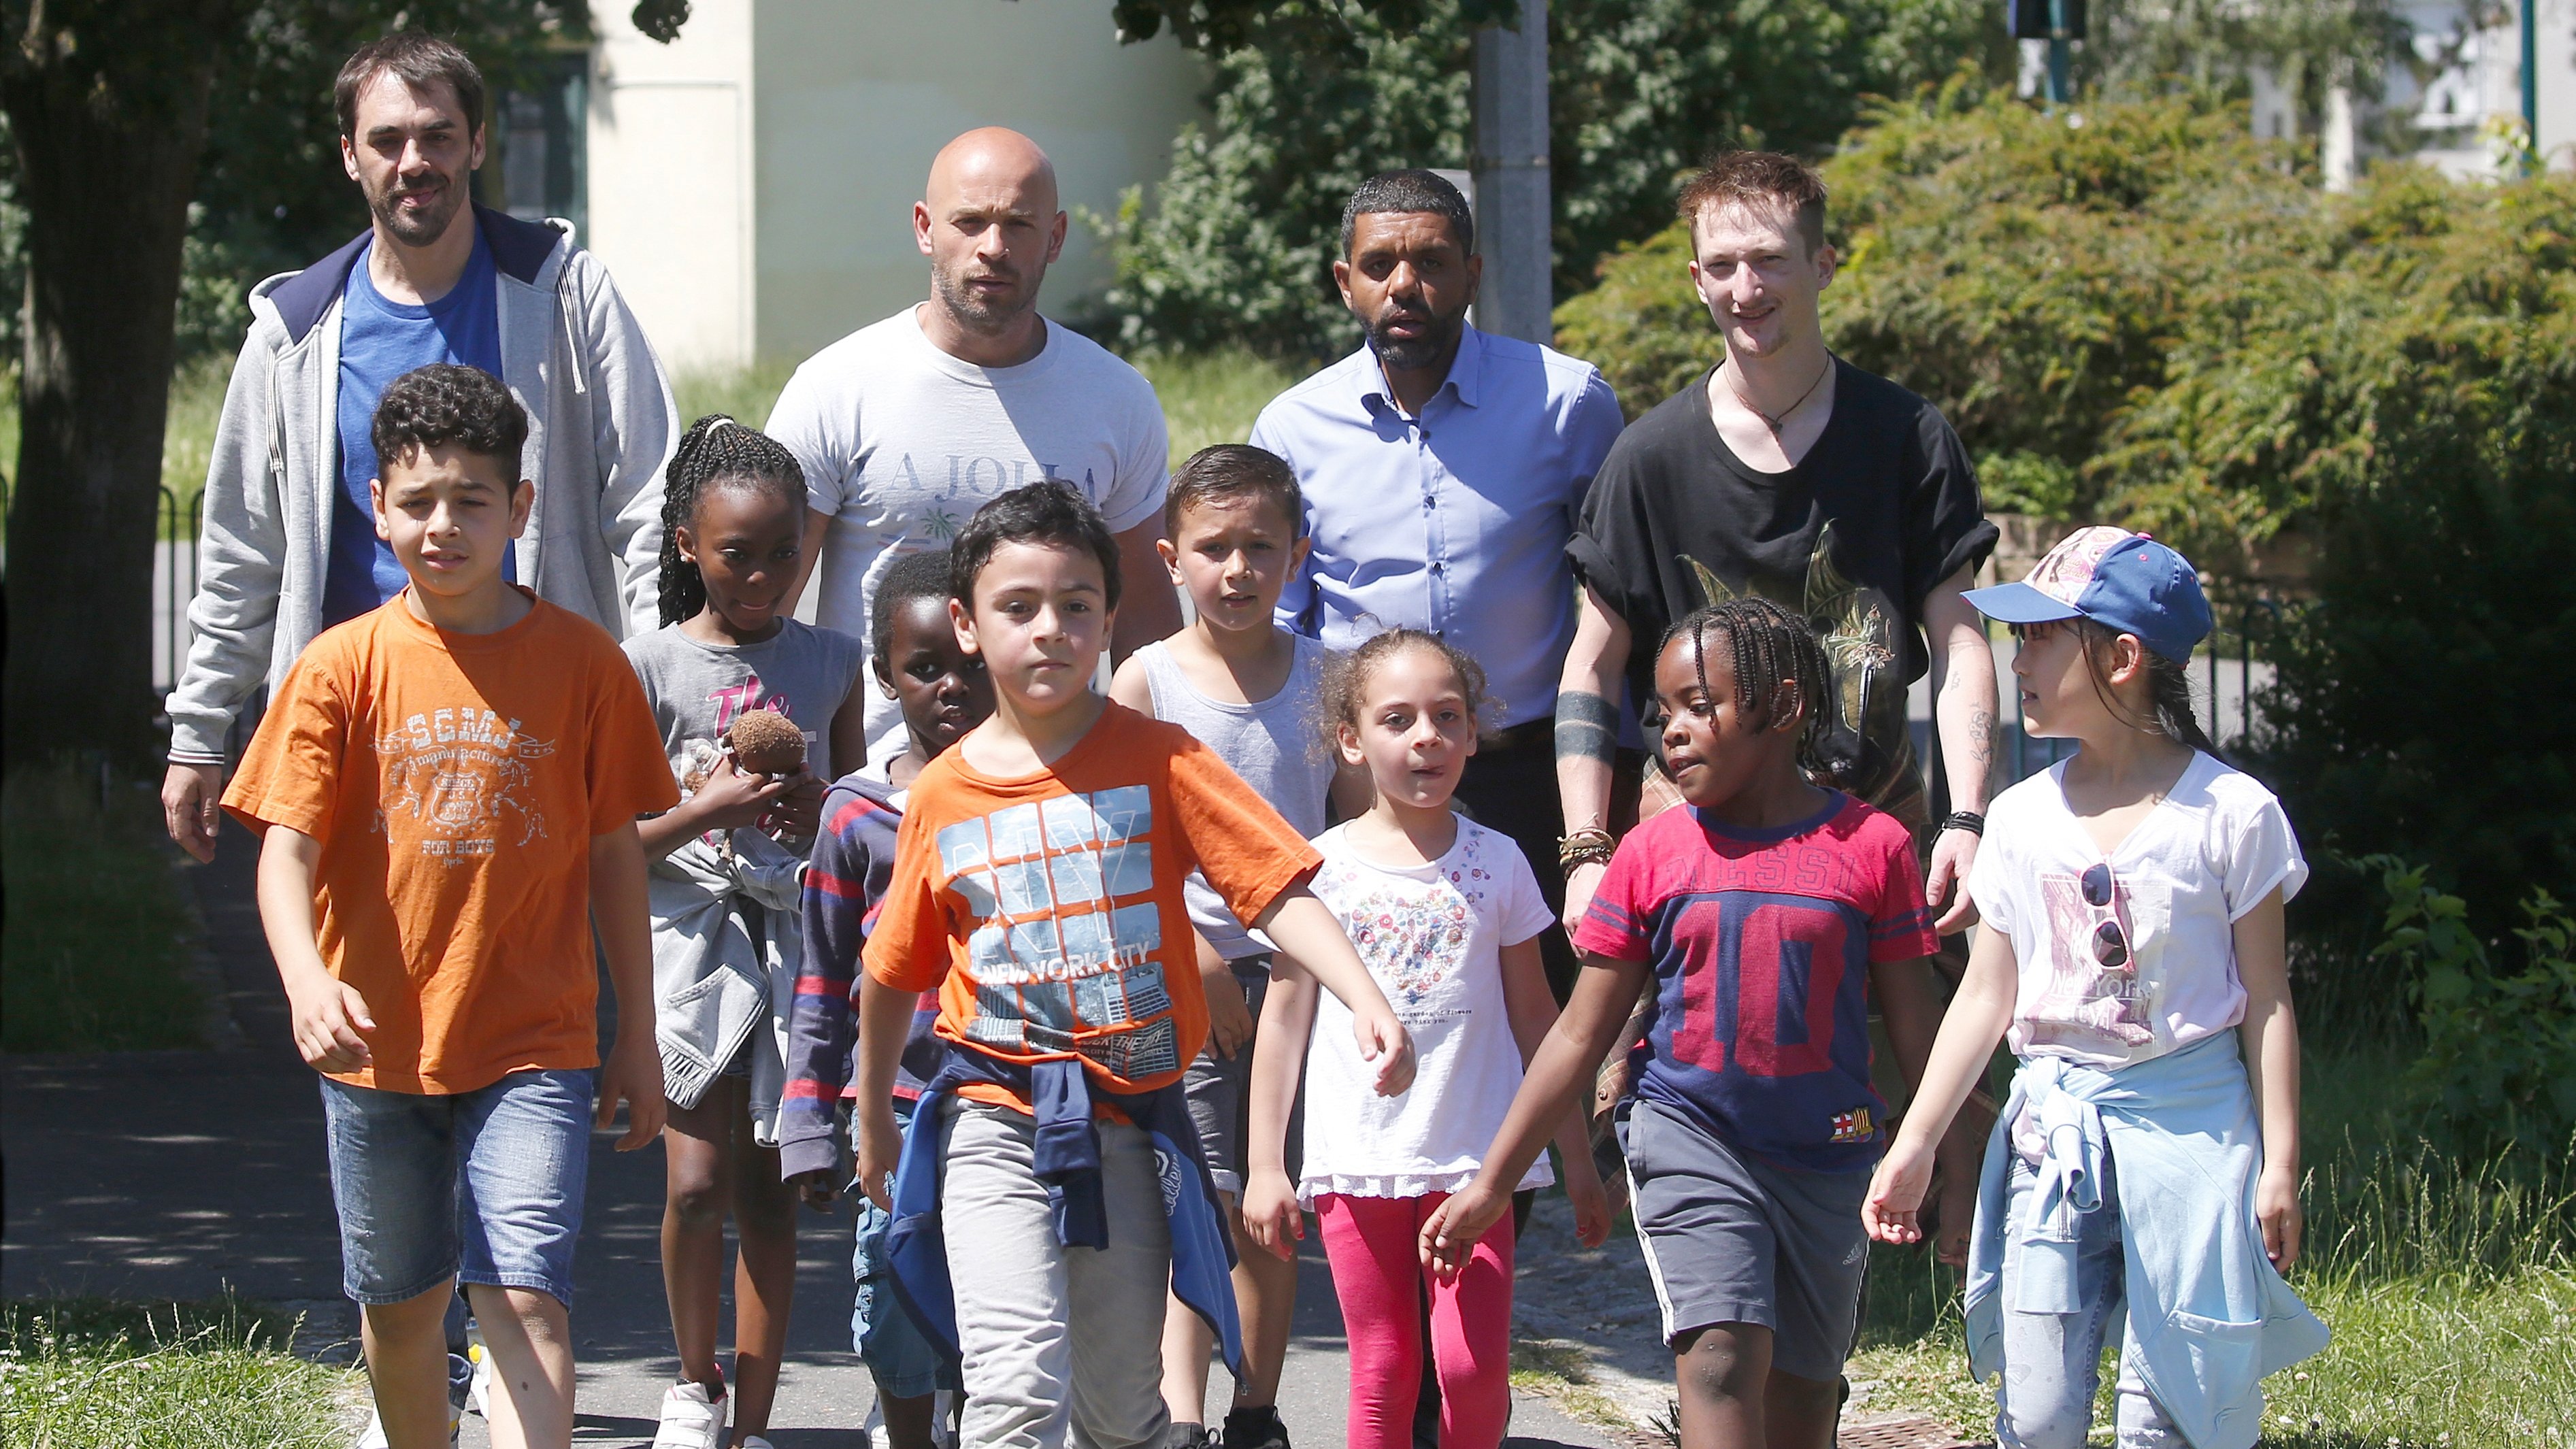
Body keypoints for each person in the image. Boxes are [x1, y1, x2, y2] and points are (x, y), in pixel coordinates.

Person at [848, 480, 1417, 1449]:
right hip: (992, 1118)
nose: (1050, 629)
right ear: (968, 624)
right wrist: (871, 1120)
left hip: (1126, 1125)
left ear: (1110, 619)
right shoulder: (941, 794)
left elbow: (1273, 887)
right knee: (1015, 1391)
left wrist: (1364, 994)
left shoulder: (1161, 757)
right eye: (1018, 607)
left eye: (1076, 605)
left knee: (1119, 1412)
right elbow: (894, 971)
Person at [220, 365, 674, 1449]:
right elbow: (284, 853)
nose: (443, 525)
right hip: (375, 1044)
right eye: (418, 500)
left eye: (472, 499)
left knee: (525, 1296)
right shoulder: (339, 668)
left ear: (519, 508)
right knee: (402, 1307)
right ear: (376, 505)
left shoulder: (585, 666)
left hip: (537, 1039)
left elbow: (615, 854)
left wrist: (638, 1033)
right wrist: (306, 981)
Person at [1421, 597, 1978, 1449]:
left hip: (1829, 1151)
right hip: (1688, 1133)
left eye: (1698, 706)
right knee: (1718, 1354)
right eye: (1662, 712)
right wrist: (1494, 1181)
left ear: (1784, 706)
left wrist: (1954, 1163)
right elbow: (1578, 1032)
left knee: (1805, 1393)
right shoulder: (1653, 851)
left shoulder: (1873, 847)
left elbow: (1919, 1026)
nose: (1671, 732)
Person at [1862, 528, 2328, 1449]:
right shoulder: (2018, 818)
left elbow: (2268, 999)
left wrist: (2278, 1161)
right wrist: (1917, 1141)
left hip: (2195, 1141)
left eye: (2040, 639)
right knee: (2036, 1415)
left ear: (2121, 659)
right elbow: (1985, 995)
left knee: (2176, 1414)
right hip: (2053, 1141)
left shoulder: (2233, 815)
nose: (2017, 661)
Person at [165, 31, 676, 861]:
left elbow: (652, 504)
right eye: (387, 140)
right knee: (346, 946)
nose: (414, 162)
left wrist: (664, 694)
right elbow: (242, 550)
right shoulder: (294, 334)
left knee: (534, 941)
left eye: (438, 135)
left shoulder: (565, 296)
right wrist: (198, 731)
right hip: (357, 730)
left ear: (477, 143)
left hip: (538, 726)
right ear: (349, 155)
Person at [1554, 148, 1998, 948]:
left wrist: (1966, 819)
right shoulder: (1648, 459)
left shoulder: (1907, 438)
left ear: (1823, 266)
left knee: (1926, 1037)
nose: (1746, 289)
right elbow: (1592, 662)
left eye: (1769, 260)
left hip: (1876, 830)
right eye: (1723, 266)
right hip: (1693, 843)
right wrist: (1586, 854)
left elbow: (1961, 639)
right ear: (1697, 280)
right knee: (1659, 1037)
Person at [1250, 169, 1626, 992]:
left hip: (1530, 778)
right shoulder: (1292, 429)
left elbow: (1620, 603)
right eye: (1379, 264)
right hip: (1366, 791)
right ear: (1345, 281)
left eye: (1431, 262)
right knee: (1386, 1018)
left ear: (1473, 274)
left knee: (1544, 1019)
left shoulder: (1567, 404)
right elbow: (1279, 628)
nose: (1404, 285)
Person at [1239, 629, 1612, 1449]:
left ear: (1474, 736)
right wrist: (1267, 1166)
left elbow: (1537, 1019)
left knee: (1472, 1373)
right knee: (1383, 1368)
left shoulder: (1501, 862)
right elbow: (1285, 1021)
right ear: (1350, 740)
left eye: (1447, 717)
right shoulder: (1317, 870)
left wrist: (1578, 1160)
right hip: (1358, 1159)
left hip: (1476, 1163)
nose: (1426, 738)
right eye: (1398, 719)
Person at [772, 127, 1181, 769]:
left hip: (1058, 783)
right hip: (880, 784)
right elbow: (768, 604)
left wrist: (1143, 772)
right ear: (925, 228)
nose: (993, 247)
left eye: (1019, 224)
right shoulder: (837, 387)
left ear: (1056, 237)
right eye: (970, 222)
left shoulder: (1116, 398)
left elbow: (1147, 625)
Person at [623, 416, 872, 1449]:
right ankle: (694, 1385)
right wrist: (710, 809)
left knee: (775, 1189)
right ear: (688, 545)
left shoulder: (834, 661)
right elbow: (616, 841)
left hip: (795, 937)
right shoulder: (646, 667)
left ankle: (755, 1422)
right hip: (686, 938)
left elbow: (854, 821)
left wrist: (818, 807)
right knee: (694, 1184)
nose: (764, 576)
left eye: (783, 553)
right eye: (738, 555)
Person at [1105, 446, 1336, 1449]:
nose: (1238, 569)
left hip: (1300, 981)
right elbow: (1121, 849)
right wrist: (1199, 963)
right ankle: (1182, 1417)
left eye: (1260, 547)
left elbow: (1347, 843)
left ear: (1298, 554)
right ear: (1170, 559)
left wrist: (1305, 967)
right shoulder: (1147, 681)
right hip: (1182, 976)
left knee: (1272, 1208)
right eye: (1213, 548)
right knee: (1196, 1202)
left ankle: (1256, 1408)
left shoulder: (1327, 679)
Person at [782, 550, 997, 1449]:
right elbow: (824, 978)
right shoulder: (855, 812)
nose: (952, 686)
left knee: (1002, 1303)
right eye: (924, 667)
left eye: (970, 663)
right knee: (895, 1292)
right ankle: (910, 1431)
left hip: (1008, 1098)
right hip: (899, 1110)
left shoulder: (1034, 793)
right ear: (883, 676)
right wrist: (807, 1121)